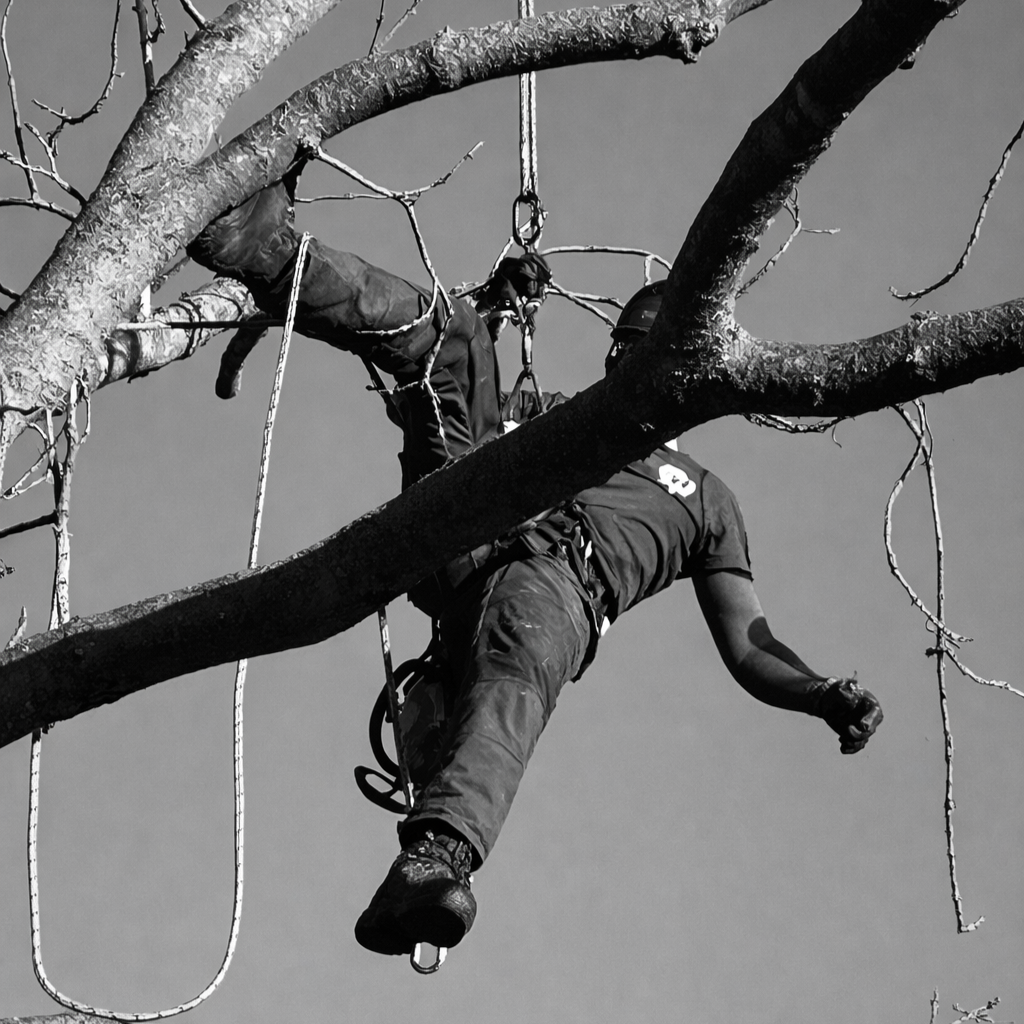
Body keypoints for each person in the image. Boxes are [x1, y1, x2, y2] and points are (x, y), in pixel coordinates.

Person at [188, 170, 884, 959]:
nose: (628, 359)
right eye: (626, 348)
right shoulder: (559, 416)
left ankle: (436, 860)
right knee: (452, 338)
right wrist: (493, 300)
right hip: (468, 526)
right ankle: (267, 253)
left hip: (556, 586)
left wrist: (822, 693)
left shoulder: (707, 502)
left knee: (519, 666)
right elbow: (455, 380)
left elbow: (750, 645)